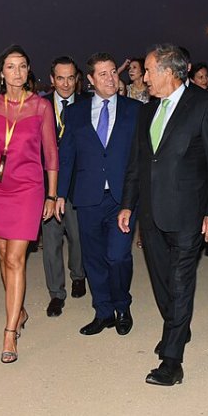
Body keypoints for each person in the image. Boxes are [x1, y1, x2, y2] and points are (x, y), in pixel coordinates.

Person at [118, 43, 208, 386]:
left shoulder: (204, 106)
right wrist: (128, 204)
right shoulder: (146, 111)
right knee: (162, 280)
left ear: (169, 72)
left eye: (149, 70)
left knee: (181, 283)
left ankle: (172, 359)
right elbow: (138, 163)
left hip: (187, 213)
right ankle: (177, 325)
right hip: (151, 213)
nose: (145, 77)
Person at [0, 45, 58, 363]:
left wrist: (52, 194)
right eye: (10, 66)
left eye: (21, 66)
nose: (16, 72)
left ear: (28, 70)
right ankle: (20, 311)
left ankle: (9, 332)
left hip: (28, 189)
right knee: (3, 255)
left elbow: (51, 154)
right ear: (1, 73)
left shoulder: (41, 106)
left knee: (16, 259)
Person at [56, 53, 141, 336]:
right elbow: (66, 156)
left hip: (121, 199)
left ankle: (123, 306)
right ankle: (103, 311)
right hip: (87, 196)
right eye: (102, 74)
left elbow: (139, 159)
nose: (110, 78)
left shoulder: (134, 110)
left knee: (118, 256)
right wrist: (57, 194)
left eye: (113, 72)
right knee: (93, 258)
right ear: (90, 80)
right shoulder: (76, 112)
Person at [41, 56, 86, 318]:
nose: (66, 83)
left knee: (78, 236)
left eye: (71, 77)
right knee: (51, 240)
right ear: (52, 79)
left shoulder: (86, 105)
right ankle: (56, 293)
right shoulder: (41, 105)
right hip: (48, 186)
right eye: (61, 78)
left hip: (78, 184)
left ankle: (78, 275)